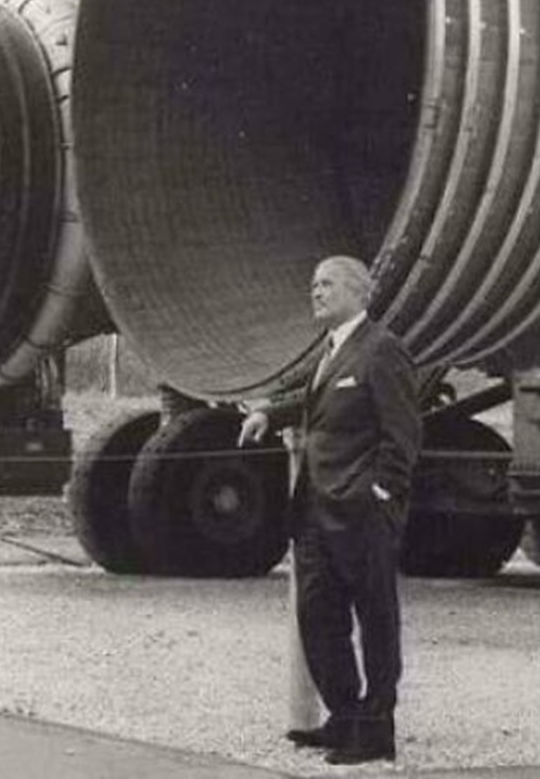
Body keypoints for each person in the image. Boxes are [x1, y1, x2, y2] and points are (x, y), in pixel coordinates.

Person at [239, 255, 422, 766]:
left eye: (326, 284)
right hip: (315, 513)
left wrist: (382, 494)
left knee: (376, 618)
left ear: (359, 292)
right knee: (318, 616)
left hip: (361, 512)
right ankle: (344, 717)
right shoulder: (333, 351)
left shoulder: (382, 351)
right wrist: (266, 413)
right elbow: (314, 400)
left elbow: (403, 434)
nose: (315, 292)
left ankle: (376, 728)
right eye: (313, 284)